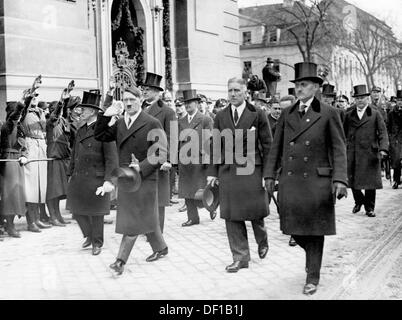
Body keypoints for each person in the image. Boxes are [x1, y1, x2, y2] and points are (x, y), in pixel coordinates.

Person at [266, 62, 348, 295]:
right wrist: (270, 174)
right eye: (297, 85)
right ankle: (311, 260)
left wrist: (340, 179)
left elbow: (339, 148)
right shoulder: (287, 114)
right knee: (293, 229)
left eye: (303, 85)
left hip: (317, 181)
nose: (299, 89)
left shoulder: (329, 113)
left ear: (315, 88)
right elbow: (276, 147)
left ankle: (312, 274)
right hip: (291, 182)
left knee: (314, 231)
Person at [94, 86, 169, 275]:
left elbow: (160, 153)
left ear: (140, 99)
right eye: (125, 100)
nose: (128, 103)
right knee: (143, 216)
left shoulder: (152, 123)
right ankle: (161, 248)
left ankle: (120, 261)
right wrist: (105, 115)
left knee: (133, 220)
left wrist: (141, 167)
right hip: (126, 178)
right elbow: (100, 135)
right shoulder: (119, 123)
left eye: (132, 100)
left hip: (145, 178)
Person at [207, 78, 272, 273]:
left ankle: (262, 239)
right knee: (232, 215)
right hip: (228, 171)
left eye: (236, 90)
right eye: (230, 91)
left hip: (252, 169)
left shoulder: (258, 114)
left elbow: (268, 145)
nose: (233, 94)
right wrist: (212, 173)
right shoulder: (220, 116)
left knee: (254, 211)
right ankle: (240, 257)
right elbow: (215, 146)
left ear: (245, 93)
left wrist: (267, 174)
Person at [67, 90, 118, 255]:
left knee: (96, 213)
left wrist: (108, 180)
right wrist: (70, 173)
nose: (80, 112)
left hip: (96, 176)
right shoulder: (81, 129)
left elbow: (111, 158)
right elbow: (75, 152)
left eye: (84, 109)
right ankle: (88, 235)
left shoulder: (104, 129)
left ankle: (97, 242)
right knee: (76, 210)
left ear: (93, 111)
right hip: (79, 176)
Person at [344, 85, 389, 218]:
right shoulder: (348, 114)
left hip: (370, 152)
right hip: (353, 151)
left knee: (370, 182)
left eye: (363, 98)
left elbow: (382, 132)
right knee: (352, 179)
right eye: (358, 98)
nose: (360, 101)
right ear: (355, 100)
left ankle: (369, 207)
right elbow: (342, 132)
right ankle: (359, 201)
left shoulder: (375, 114)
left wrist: (383, 149)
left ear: (367, 99)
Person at [141, 72, 178, 233]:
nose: (145, 92)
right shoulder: (140, 108)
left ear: (157, 92)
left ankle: (157, 231)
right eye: (144, 89)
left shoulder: (167, 111)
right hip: (142, 159)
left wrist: (169, 159)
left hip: (159, 160)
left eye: (148, 89)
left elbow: (173, 137)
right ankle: (146, 227)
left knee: (158, 199)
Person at [19, 79, 52, 232]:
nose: (35, 99)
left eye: (36, 96)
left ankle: (37, 219)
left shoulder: (39, 113)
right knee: (31, 186)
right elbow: (24, 106)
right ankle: (31, 221)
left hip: (41, 146)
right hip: (31, 145)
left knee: (40, 185)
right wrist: (31, 89)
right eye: (32, 96)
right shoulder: (23, 112)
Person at [178, 90, 214, 227]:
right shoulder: (180, 121)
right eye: (185, 103)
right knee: (187, 191)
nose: (187, 105)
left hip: (199, 161)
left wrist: (207, 161)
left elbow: (209, 142)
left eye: (190, 102)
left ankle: (212, 207)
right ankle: (193, 218)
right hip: (184, 161)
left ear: (197, 104)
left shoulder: (205, 120)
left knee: (201, 191)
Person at [0, 96, 30, 238]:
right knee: (9, 196)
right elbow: (15, 117)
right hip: (8, 163)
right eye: (16, 114)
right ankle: (9, 226)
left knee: (16, 195)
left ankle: (9, 224)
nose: (18, 117)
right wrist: (21, 104)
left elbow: (23, 145)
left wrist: (24, 155)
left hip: (18, 162)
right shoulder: (7, 126)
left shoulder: (20, 128)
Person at [45, 88, 75, 226]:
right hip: (54, 159)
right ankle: (53, 217)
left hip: (63, 158)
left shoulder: (62, 122)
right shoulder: (51, 123)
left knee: (59, 191)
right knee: (53, 191)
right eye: (54, 110)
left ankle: (58, 215)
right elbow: (56, 114)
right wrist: (61, 102)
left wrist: (66, 99)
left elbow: (63, 115)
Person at [386, 90, 402, 189]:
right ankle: (396, 180)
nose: (400, 102)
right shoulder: (391, 113)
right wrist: (390, 138)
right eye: (399, 100)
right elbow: (388, 126)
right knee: (396, 161)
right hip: (395, 140)